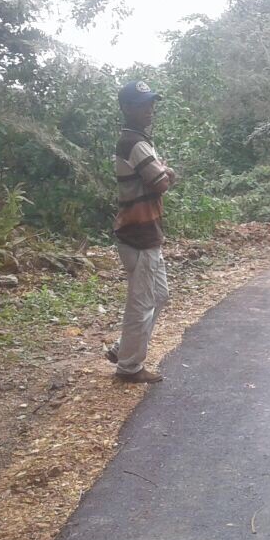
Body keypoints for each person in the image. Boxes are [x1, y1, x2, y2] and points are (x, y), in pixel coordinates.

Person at [104, 80, 176, 384]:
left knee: (159, 296)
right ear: (126, 108)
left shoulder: (139, 140)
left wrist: (163, 173)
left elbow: (159, 177)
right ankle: (129, 367)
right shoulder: (134, 143)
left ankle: (125, 349)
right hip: (139, 234)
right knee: (142, 302)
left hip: (147, 232)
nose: (150, 110)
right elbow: (161, 181)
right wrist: (167, 172)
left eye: (151, 103)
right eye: (143, 104)